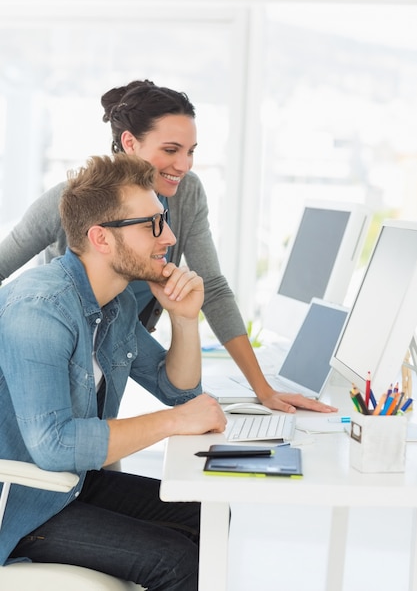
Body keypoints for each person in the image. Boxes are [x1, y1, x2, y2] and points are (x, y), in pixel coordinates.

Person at [0, 79, 336, 415]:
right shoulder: (71, 201)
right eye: (171, 150)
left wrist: (264, 391)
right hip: (61, 352)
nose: (184, 165)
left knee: (100, 449)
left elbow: (214, 290)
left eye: (191, 152)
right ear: (129, 142)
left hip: (121, 344)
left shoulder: (185, 194)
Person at [0, 153, 227, 589]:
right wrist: (176, 422)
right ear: (102, 239)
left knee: (211, 516)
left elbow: (178, 390)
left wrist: (184, 318)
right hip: (17, 502)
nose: (170, 237)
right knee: (175, 561)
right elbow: (54, 445)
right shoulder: (40, 310)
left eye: (164, 220)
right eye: (152, 226)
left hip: (69, 483)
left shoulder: (116, 303)